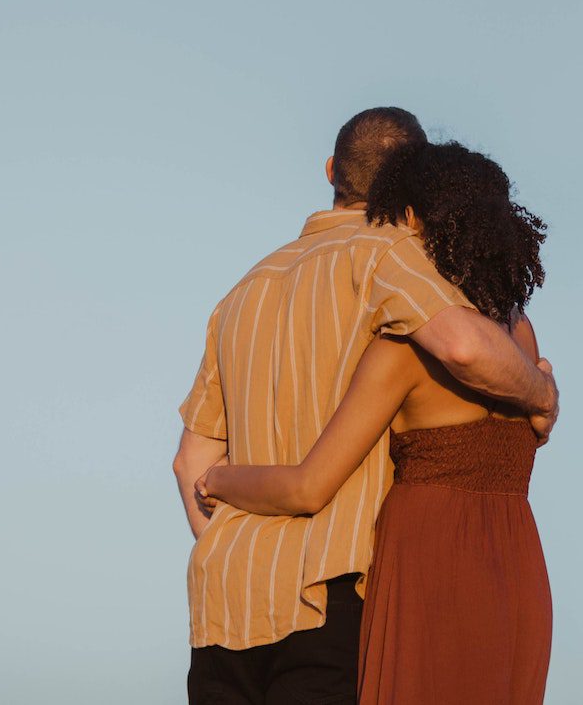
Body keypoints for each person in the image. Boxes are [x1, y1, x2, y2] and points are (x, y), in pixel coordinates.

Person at [173, 108, 558, 705]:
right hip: (338, 590)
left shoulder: (242, 292)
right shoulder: (394, 258)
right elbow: (463, 345)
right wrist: (541, 392)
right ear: (413, 188)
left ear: (331, 170)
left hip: (228, 602)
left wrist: (234, 548)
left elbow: (188, 462)